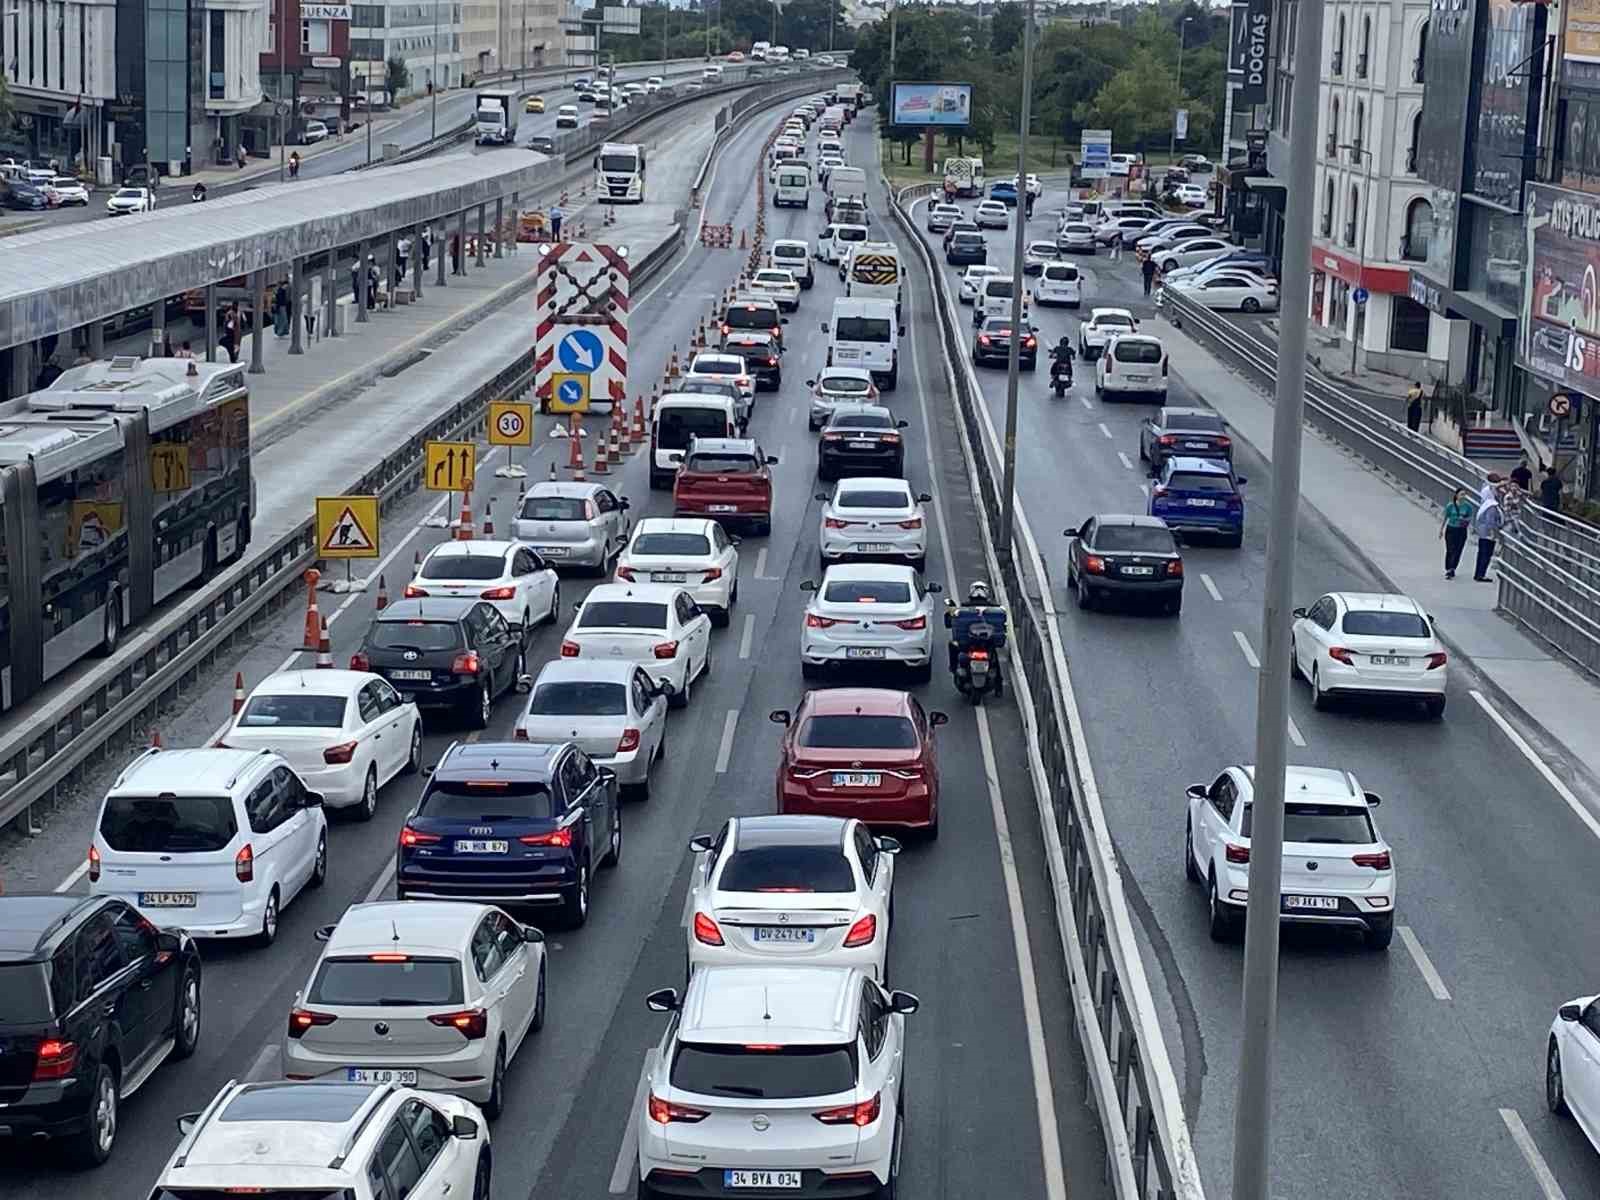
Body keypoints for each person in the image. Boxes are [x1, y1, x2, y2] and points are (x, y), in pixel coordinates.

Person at [946, 580, 1008, 690]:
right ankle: (999, 686)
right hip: (987, 644)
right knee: (994, 655)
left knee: (952, 645)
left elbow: (952, 620)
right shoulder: (997, 610)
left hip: (969, 644)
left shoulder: (962, 609)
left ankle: (953, 668)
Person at [1439, 486, 1475, 579]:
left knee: (1458, 549)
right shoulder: (1450, 506)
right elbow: (1445, 517)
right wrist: (1441, 530)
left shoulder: (1468, 506)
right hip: (1451, 529)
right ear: (1456, 495)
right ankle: (1448, 567)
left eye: (1464, 495)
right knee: (1450, 548)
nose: (1463, 496)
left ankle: (1453, 568)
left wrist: (1465, 520)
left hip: (1461, 530)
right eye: (1461, 494)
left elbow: (1470, 518)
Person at [1471, 491, 1505, 582]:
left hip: (1483, 533)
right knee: (1486, 554)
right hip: (1489, 534)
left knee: (1482, 553)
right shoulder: (1492, 507)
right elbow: (1490, 521)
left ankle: (1479, 574)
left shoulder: (1486, 505)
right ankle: (1481, 574)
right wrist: (1495, 531)